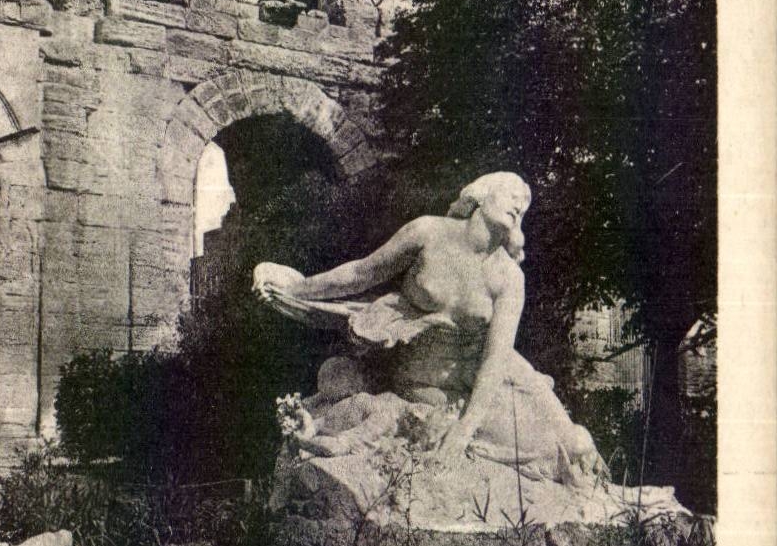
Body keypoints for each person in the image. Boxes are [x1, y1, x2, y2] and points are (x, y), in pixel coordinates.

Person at [254, 172, 603, 478]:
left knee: (572, 445)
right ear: (480, 195)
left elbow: (496, 360)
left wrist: (465, 430)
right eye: (511, 192)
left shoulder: (508, 278)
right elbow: (361, 273)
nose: (519, 204)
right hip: (428, 380)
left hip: (495, 377)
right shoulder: (428, 232)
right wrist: (297, 288)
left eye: (524, 204)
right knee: (545, 447)